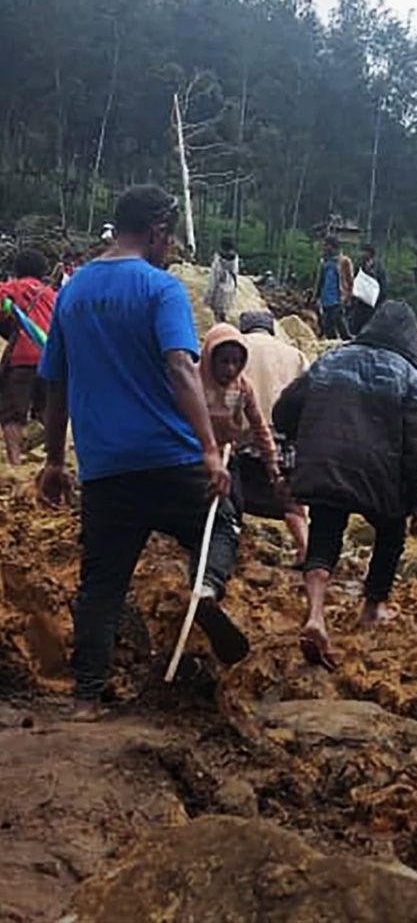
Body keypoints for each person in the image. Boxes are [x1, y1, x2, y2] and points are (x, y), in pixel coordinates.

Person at [37, 186, 249, 719]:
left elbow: (56, 386)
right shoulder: (161, 289)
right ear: (157, 230)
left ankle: (86, 698)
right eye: (170, 235)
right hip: (169, 457)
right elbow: (181, 367)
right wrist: (208, 449)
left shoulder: (73, 291)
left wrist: (56, 461)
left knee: (102, 584)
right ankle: (205, 586)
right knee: (221, 523)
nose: (172, 245)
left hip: (105, 467)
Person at [273, 301, 417, 670]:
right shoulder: (412, 377)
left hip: (327, 464)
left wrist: (302, 439)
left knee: (326, 534)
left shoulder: (331, 359)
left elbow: (284, 410)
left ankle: (315, 613)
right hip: (382, 476)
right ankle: (373, 607)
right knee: (390, 536)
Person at [200, 323, 308, 565]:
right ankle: (304, 549)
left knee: (233, 500)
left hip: (242, 444)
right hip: (279, 437)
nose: (231, 368)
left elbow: (256, 424)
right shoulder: (294, 354)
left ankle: (224, 550)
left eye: (235, 363)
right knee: (291, 503)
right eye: (225, 362)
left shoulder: (231, 360)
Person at [0, 248, 57, 465]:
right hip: (49, 358)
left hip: (21, 359)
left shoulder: (10, 288)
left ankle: (15, 461)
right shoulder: (52, 295)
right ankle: (49, 460)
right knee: (45, 411)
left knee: (11, 413)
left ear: (16, 270)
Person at [312, 235, 355, 340]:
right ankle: (332, 341)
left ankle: (347, 340)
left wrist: (348, 296)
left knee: (339, 321)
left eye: (326, 245)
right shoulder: (324, 262)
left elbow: (349, 280)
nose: (325, 248)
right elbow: (320, 280)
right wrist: (315, 295)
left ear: (333, 246)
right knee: (327, 324)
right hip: (325, 298)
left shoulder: (344, 261)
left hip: (337, 298)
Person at [347, 242, 386, 335]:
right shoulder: (360, 267)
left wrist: (379, 303)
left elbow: (383, 286)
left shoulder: (378, 268)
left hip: (373, 306)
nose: (362, 254)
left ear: (370, 253)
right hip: (360, 304)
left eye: (364, 252)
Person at [209, 236, 240, 324]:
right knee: (224, 311)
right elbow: (235, 272)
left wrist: (210, 295)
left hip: (219, 286)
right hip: (230, 285)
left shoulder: (218, 258)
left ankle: (219, 328)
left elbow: (214, 275)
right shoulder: (235, 258)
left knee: (217, 313)